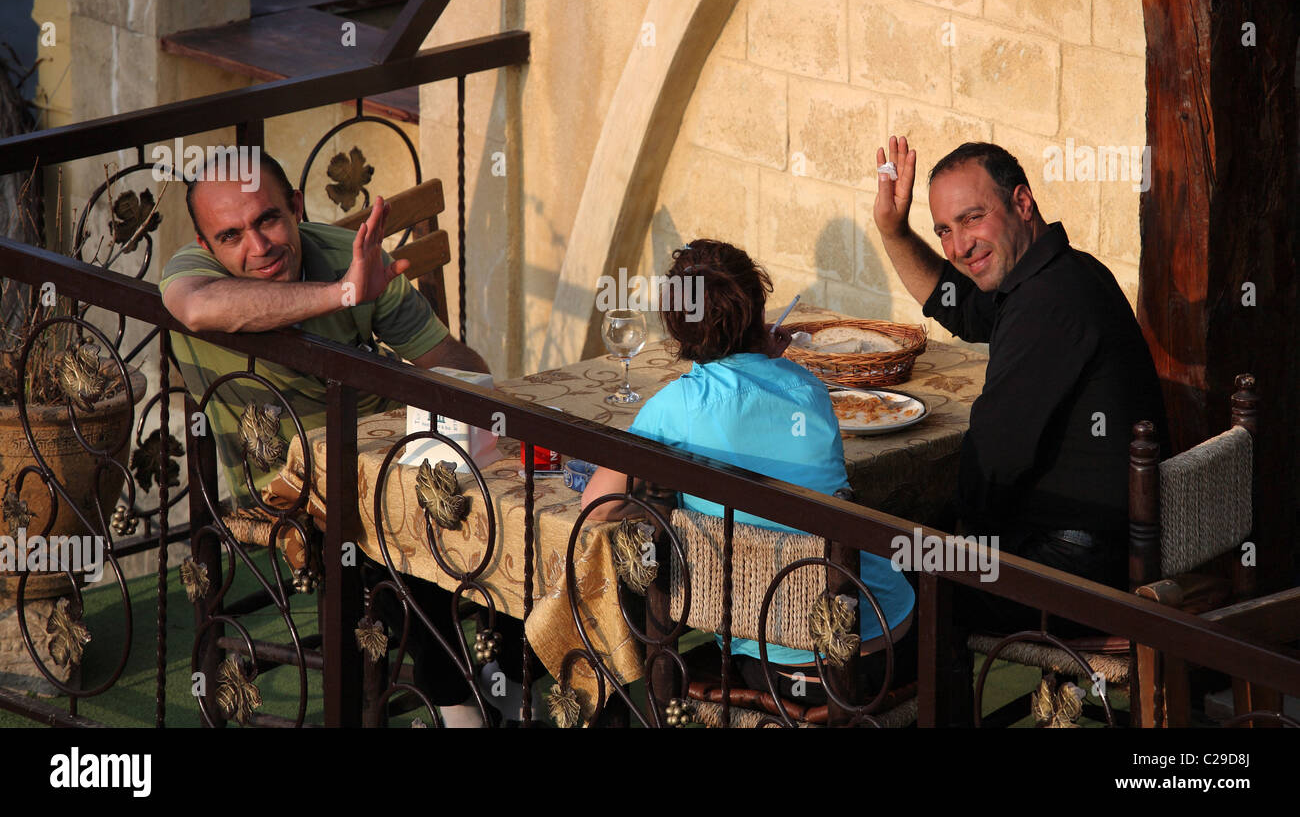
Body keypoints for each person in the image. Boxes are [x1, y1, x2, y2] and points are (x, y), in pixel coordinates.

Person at [160, 151, 504, 726]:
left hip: (386, 442)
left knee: (520, 501)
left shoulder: (344, 253)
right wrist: (344, 294)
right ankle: (460, 710)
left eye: (268, 219)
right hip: (290, 481)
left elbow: (445, 358)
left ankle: (515, 691)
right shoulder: (192, 275)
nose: (258, 245)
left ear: (296, 206)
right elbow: (197, 308)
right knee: (399, 527)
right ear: (204, 243)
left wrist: (478, 409)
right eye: (231, 235)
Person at [580, 239, 916, 703]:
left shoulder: (673, 409)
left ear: (677, 326)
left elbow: (599, 504)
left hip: (779, 664)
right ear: (758, 309)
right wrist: (766, 359)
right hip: (883, 640)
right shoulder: (810, 389)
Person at [870, 136, 1168, 620]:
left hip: (1076, 562)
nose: (959, 247)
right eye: (944, 230)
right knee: (905, 546)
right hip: (1085, 538)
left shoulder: (1046, 303)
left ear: (1022, 203)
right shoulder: (1058, 272)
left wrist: (952, 536)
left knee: (887, 573)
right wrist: (894, 231)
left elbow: (994, 461)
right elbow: (963, 309)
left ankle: (869, 693)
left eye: (971, 218)